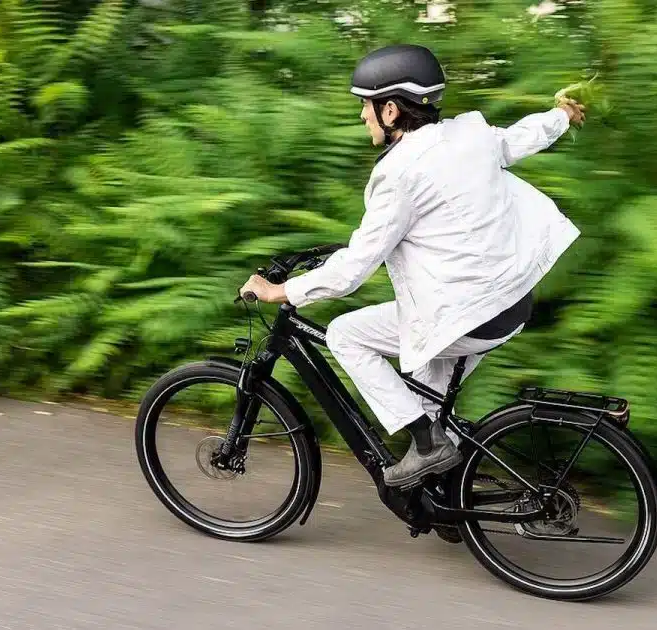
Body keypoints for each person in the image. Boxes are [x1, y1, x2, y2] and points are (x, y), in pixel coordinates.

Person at [239, 44, 586, 488]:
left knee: (347, 334)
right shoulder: (468, 135)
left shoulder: (400, 174)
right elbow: (518, 138)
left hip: (467, 316)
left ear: (390, 110)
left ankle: (426, 445)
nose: (362, 115)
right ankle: (447, 499)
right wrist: (561, 115)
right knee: (424, 390)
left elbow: (352, 271)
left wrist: (279, 291)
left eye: (365, 105)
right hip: (512, 302)